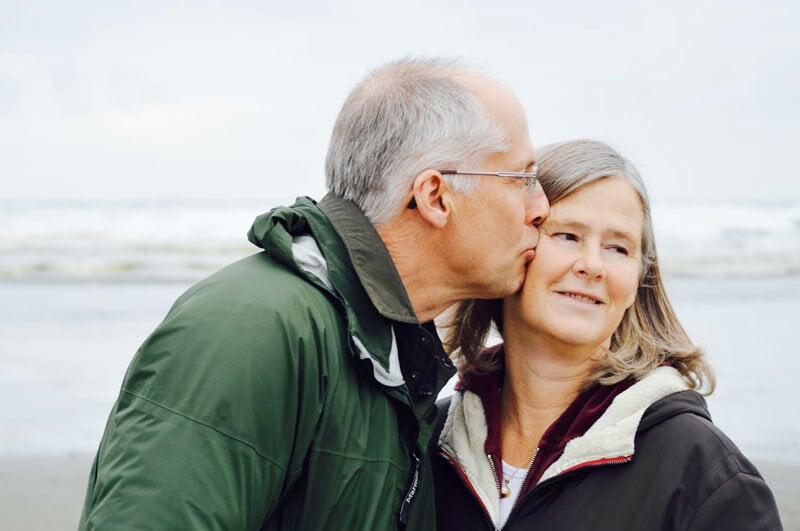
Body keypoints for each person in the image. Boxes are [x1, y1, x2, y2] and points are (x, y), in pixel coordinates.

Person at [78, 57, 550, 530]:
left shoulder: (385, 349)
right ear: (434, 196)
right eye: (522, 179)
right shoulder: (253, 329)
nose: (540, 208)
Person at [431, 139, 782, 530]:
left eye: (618, 248)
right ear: (514, 246)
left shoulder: (702, 469)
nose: (593, 265)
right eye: (567, 236)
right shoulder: (432, 441)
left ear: (637, 281)